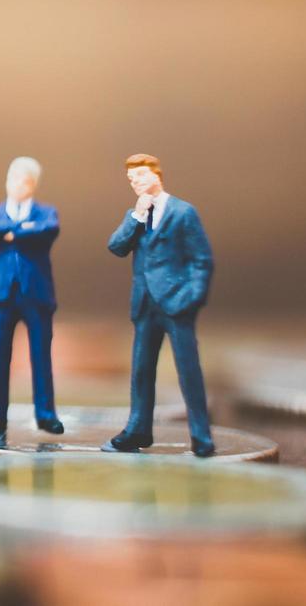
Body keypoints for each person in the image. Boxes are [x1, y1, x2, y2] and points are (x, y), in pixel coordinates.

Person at [103, 153, 216, 458]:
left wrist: (190, 298)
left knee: (188, 371)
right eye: (131, 179)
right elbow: (116, 246)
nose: (135, 182)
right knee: (141, 371)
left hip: (176, 305)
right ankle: (138, 429)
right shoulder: (137, 214)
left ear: (156, 174)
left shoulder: (183, 212)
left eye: (140, 175)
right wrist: (136, 216)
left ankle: (201, 436)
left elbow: (202, 260)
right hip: (144, 306)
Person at [0, 157, 65, 435]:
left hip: (35, 293)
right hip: (3, 294)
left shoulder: (46, 212)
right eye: (13, 179)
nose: (17, 185)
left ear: (33, 184)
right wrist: (19, 230)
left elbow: (49, 230)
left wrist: (13, 233)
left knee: (41, 355)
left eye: (23, 181)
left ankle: (46, 413)